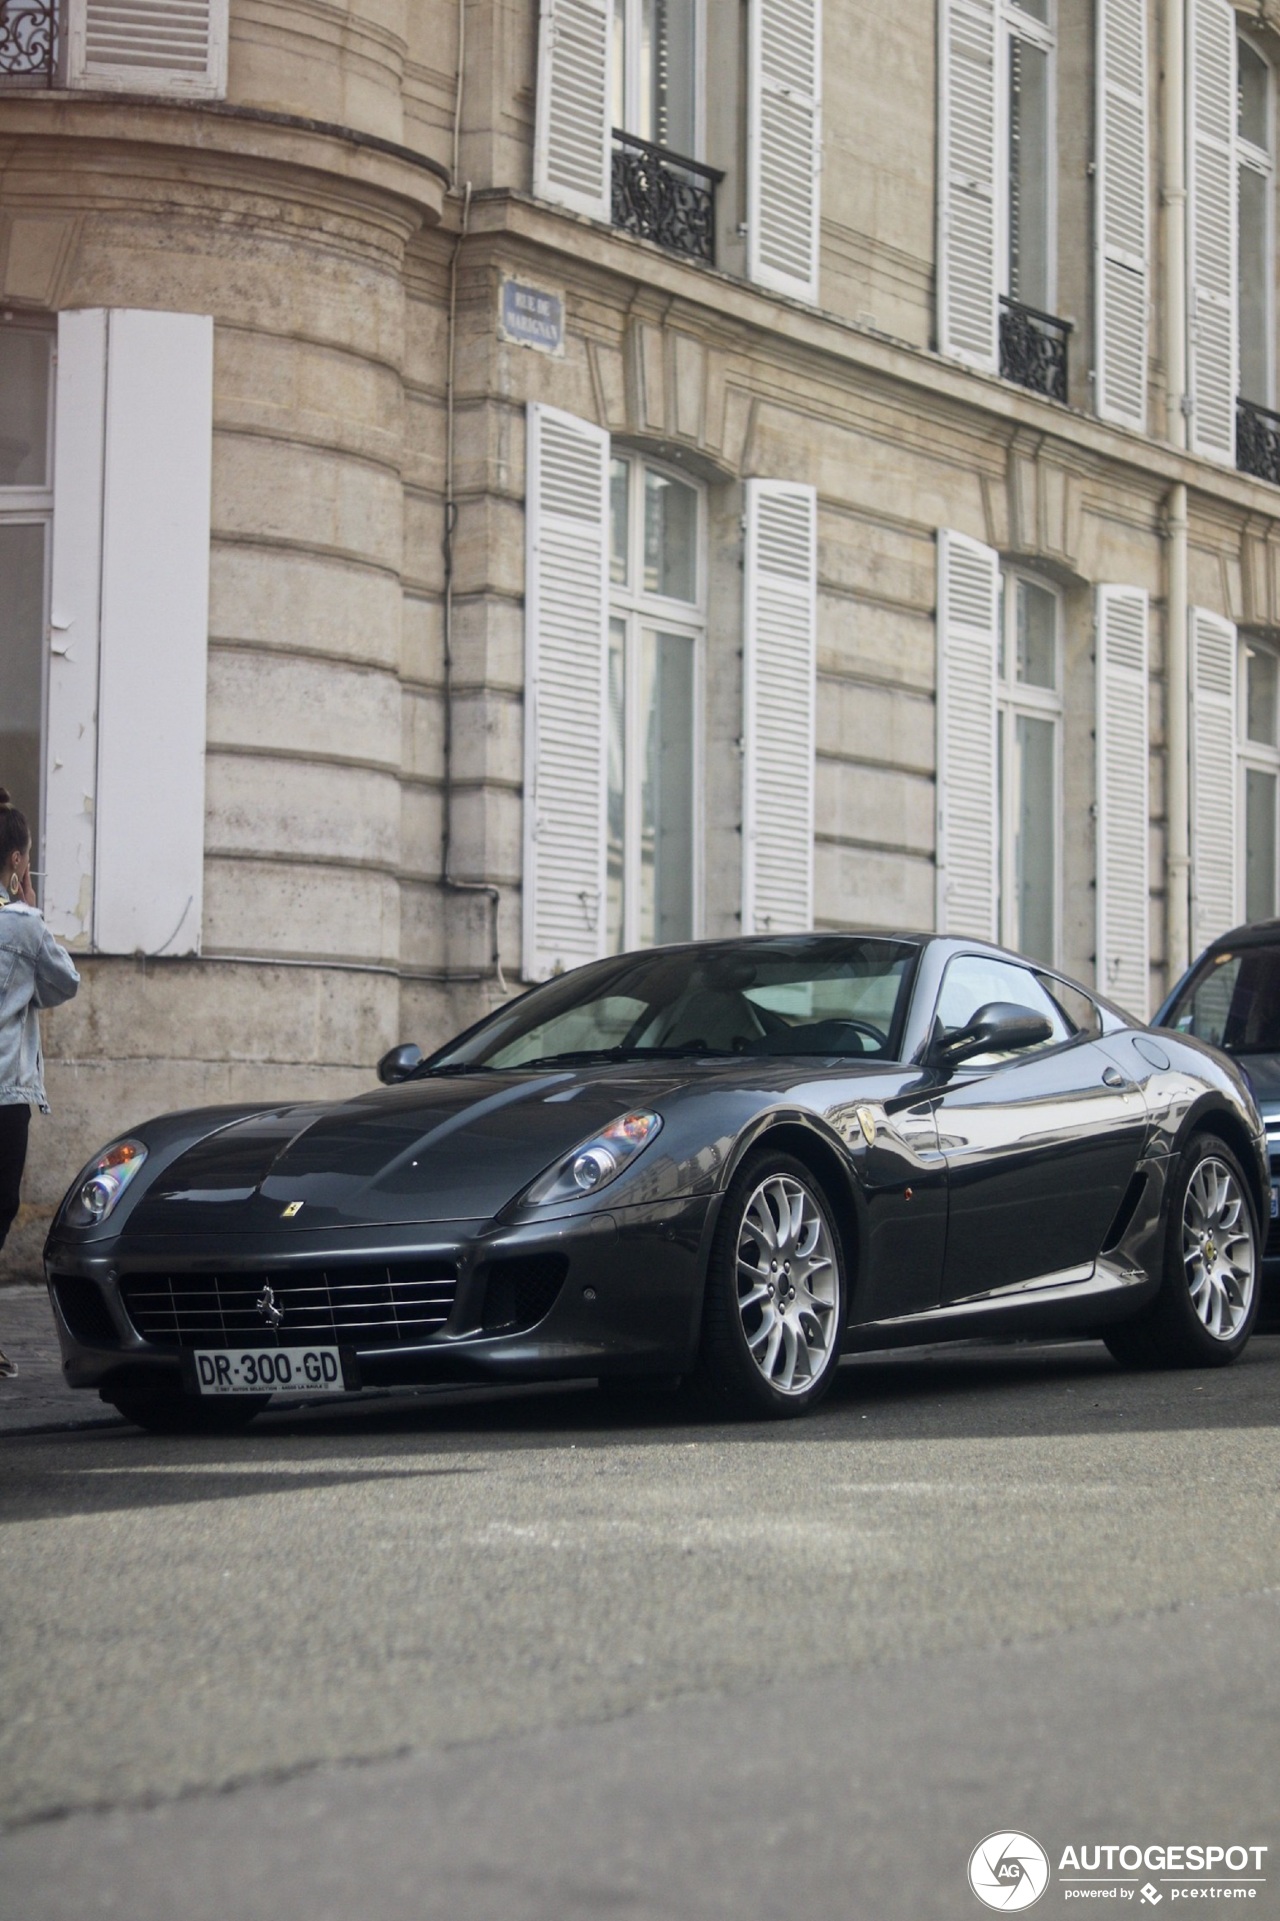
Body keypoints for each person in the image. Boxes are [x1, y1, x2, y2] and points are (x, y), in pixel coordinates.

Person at [0, 789, 80, 1378]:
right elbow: (64, 984)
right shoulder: (22, 926)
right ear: (19, 862)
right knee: (1, 1207)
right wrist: (31, 910)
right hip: (4, 1090)